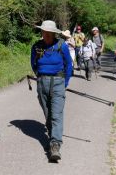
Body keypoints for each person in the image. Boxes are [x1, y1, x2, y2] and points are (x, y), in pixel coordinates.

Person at [31, 20, 72, 162]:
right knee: (48, 114)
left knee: (56, 115)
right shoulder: (36, 46)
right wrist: (41, 77)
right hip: (42, 82)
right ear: (42, 32)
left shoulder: (62, 46)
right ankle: (52, 132)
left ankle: (55, 145)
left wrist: (64, 82)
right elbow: (33, 64)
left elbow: (69, 65)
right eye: (44, 32)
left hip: (58, 83)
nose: (47, 35)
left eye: (49, 33)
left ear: (54, 33)